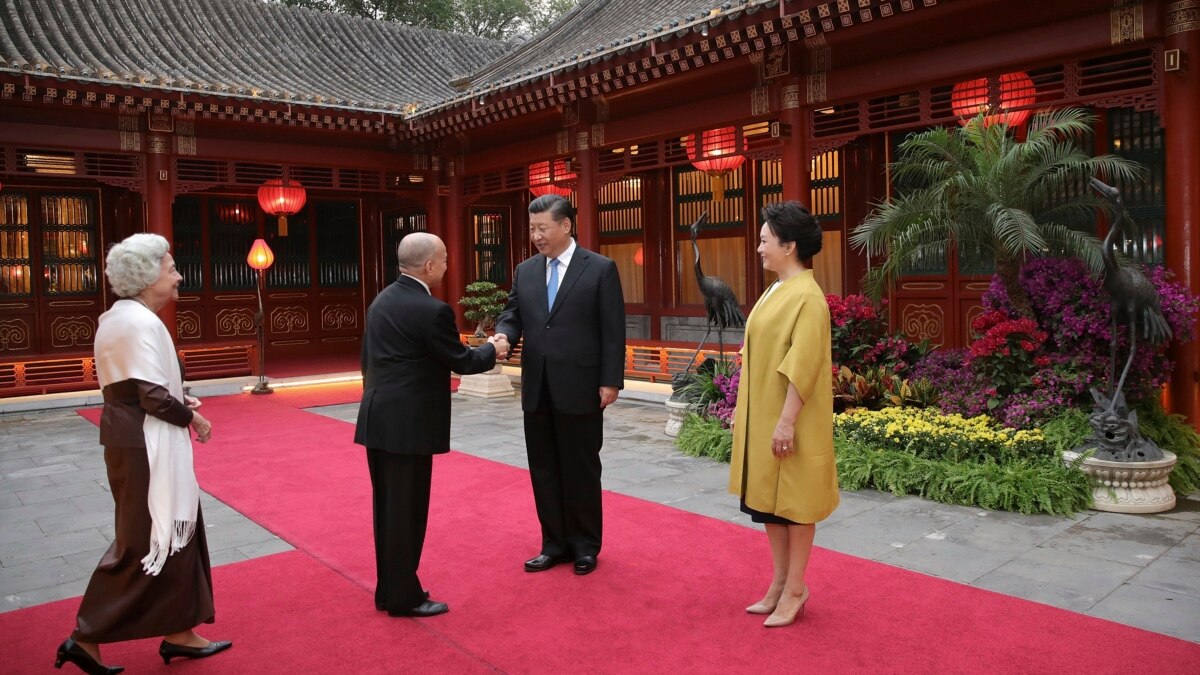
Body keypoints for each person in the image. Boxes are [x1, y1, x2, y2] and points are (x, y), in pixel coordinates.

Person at [56, 233, 230, 675]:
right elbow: (153, 398)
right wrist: (195, 419)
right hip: (144, 444)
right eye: (171, 269)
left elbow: (138, 389)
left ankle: (179, 631)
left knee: (175, 531)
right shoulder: (138, 323)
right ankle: (85, 637)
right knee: (145, 541)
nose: (178, 277)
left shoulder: (122, 317)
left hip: (135, 436)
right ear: (147, 275)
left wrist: (180, 401)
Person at [354, 232, 506, 617]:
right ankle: (404, 595)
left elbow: (367, 360)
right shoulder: (431, 309)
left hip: (379, 417)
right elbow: (462, 361)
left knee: (388, 509)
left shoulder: (381, 300)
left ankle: (390, 588)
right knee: (407, 511)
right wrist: (494, 349)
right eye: (444, 258)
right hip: (409, 424)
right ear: (429, 266)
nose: (447, 264)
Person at [493, 194, 626, 576]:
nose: (536, 235)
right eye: (532, 229)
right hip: (537, 387)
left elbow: (612, 329)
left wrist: (610, 380)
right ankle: (553, 544)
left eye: (542, 228)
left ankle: (585, 546)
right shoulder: (527, 270)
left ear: (566, 226)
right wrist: (502, 336)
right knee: (544, 468)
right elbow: (512, 314)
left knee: (581, 469)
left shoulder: (599, 268)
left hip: (582, 385)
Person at [728, 201, 839, 628]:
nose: (758, 247)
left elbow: (804, 362)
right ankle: (778, 582)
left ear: (789, 245)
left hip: (790, 419)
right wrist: (744, 408)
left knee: (795, 503)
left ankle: (796, 587)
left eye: (764, 240)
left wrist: (787, 420)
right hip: (764, 415)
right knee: (768, 505)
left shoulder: (808, 297)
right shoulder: (777, 288)